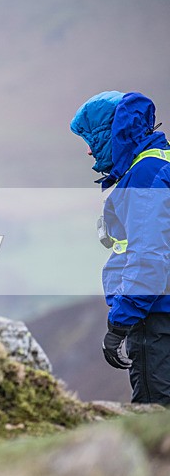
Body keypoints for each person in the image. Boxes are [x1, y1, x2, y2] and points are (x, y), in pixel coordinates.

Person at [71, 91, 170, 404]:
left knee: (156, 413)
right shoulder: (158, 163)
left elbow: (148, 257)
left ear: (111, 133)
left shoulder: (145, 175)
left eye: (90, 139)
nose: (88, 151)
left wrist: (120, 322)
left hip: (156, 319)